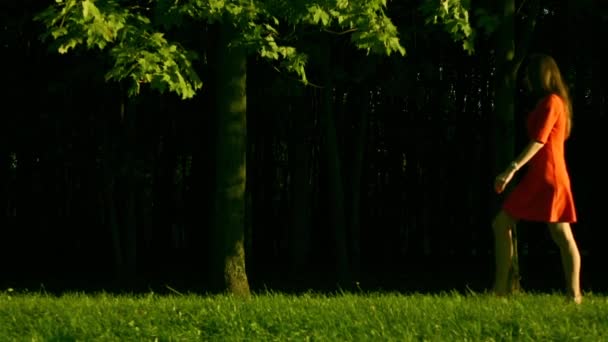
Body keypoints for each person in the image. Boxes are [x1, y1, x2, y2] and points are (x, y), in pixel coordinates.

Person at [492, 53, 582, 304]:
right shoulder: (552, 102)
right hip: (543, 174)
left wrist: (511, 169)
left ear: (540, 75)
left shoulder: (552, 102)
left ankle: (572, 295)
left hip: (548, 175)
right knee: (558, 234)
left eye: (529, 77)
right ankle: (503, 290)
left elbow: (540, 140)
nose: (526, 83)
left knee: (560, 234)